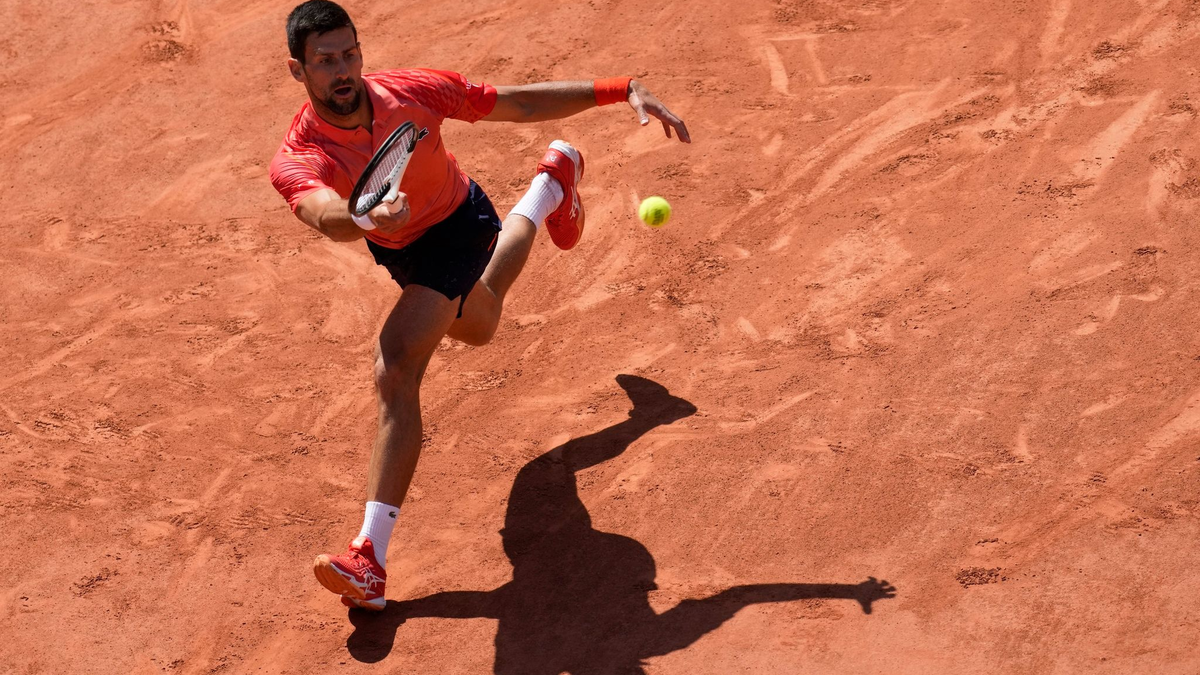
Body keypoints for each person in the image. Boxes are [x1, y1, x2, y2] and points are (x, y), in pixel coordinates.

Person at [269, 0, 690, 610]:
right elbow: (323, 215)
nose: (342, 70)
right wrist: (363, 213)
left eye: (349, 54)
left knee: (398, 361)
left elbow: (512, 102)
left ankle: (368, 557)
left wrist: (620, 89)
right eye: (325, 60)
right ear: (297, 70)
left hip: (459, 225)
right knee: (481, 322)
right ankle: (552, 185)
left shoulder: (413, 92)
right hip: (398, 249)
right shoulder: (299, 152)